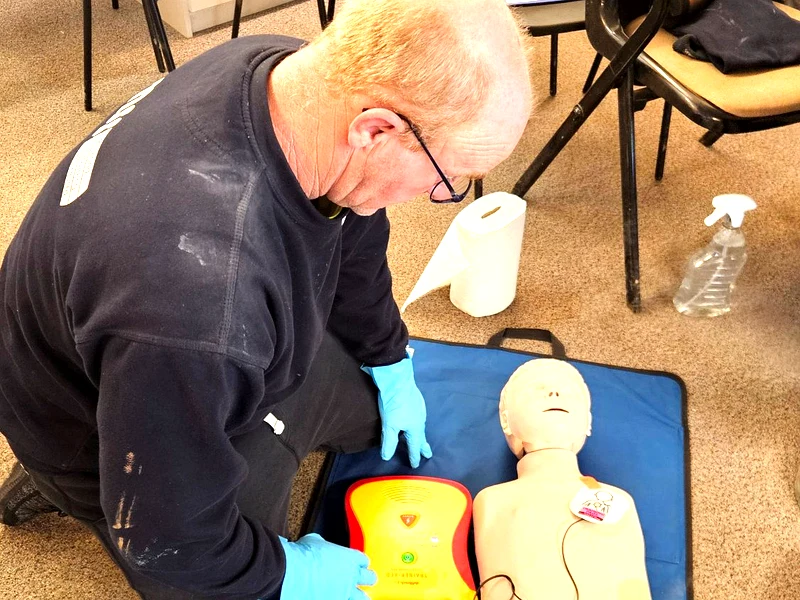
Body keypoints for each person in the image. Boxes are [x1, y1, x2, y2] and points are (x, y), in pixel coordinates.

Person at [0, 0, 534, 598]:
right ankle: (61, 489)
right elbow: (176, 539)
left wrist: (389, 360)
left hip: (161, 354)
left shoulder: (297, 80)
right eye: (446, 176)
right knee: (206, 569)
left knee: (372, 417)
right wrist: (289, 573)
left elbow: (351, 237)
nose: (442, 192)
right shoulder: (196, 303)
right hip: (95, 429)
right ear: (376, 129)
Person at [473, 359, 651, 600]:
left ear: (588, 422)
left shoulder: (620, 501)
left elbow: (634, 585)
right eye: (535, 389)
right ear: (506, 421)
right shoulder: (493, 500)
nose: (554, 393)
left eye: (570, 393)